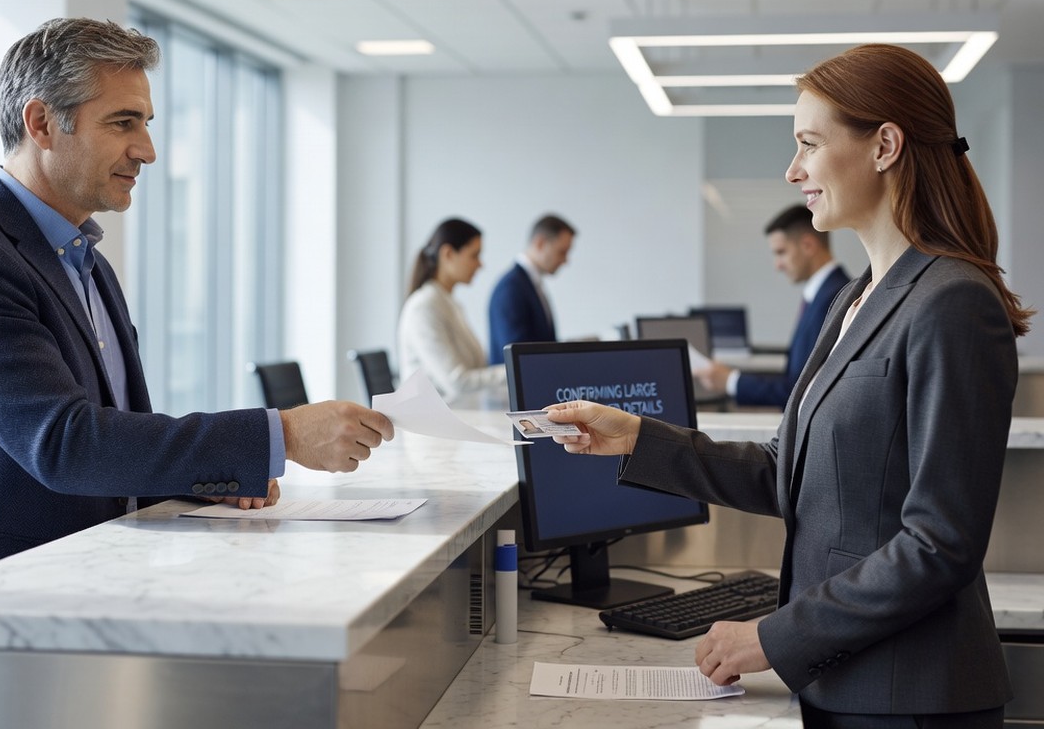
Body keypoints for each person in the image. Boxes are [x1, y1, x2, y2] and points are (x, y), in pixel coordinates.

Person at [0, 18, 395, 690]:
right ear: (42, 122)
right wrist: (281, 435)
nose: (146, 149)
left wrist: (220, 473)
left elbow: (111, 442)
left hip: (76, 606)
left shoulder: (85, 261)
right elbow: (64, 444)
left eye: (146, 123)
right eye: (123, 123)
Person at [546, 43, 1031, 728]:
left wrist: (774, 636)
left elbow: (940, 544)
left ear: (885, 145)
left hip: (908, 696)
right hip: (843, 682)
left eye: (809, 143)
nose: (793, 169)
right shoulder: (856, 297)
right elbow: (789, 473)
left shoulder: (952, 301)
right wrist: (636, 438)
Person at [695, 205, 849, 407]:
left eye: (781, 252)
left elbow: (800, 391)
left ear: (808, 245)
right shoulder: (823, 294)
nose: (778, 265)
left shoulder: (834, 298)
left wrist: (731, 382)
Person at [398, 218, 506, 405]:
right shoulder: (424, 306)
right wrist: (513, 373)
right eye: (474, 255)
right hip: (432, 418)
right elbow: (457, 384)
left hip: (460, 412)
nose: (480, 264)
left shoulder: (449, 304)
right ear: (448, 253)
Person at [488, 214, 576, 364]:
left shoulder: (530, 284)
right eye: (562, 252)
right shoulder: (510, 288)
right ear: (540, 243)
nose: (565, 260)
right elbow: (519, 359)